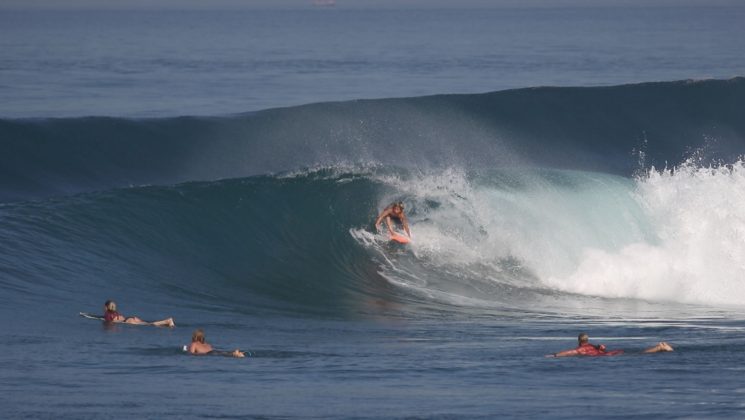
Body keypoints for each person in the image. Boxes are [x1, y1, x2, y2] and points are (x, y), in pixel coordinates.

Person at [547, 332, 674, 357]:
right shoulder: (592, 346)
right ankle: (661, 348)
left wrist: (554, 355)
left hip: (611, 356)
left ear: (579, 341)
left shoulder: (581, 350)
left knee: (641, 354)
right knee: (638, 353)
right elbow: (601, 347)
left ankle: (659, 347)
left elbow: (568, 353)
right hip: (614, 352)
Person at [103, 300, 175, 327]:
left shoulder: (107, 314)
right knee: (148, 323)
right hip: (131, 318)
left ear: (106, 307)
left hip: (128, 321)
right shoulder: (116, 313)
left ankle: (167, 321)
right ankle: (168, 324)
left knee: (149, 324)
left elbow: (111, 321)